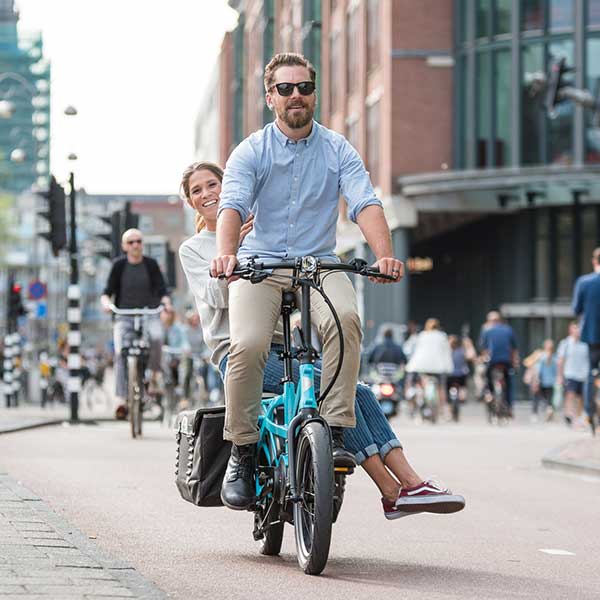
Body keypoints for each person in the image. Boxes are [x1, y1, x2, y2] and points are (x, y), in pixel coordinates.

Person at [179, 161, 465, 520]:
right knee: (330, 389)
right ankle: (394, 490)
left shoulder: (262, 235)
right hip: (239, 353)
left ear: (230, 187)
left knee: (357, 391)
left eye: (213, 184)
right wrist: (232, 247)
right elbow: (215, 296)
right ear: (190, 202)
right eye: (197, 190)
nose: (207, 194)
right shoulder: (194, 249)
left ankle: (409, 485)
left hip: (284, 346)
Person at [210, 53, 405, 509]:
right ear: (270, 97)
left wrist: (385, 255)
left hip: (319, 264)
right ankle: (242, 450)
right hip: (258, 265)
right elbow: (232, 205)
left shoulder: (338, 149)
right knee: (247, 345)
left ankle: (334, 432)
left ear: (314, 94)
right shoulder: (251, 151)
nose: (295, 95)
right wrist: (227, 254)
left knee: (346, 321)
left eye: (304, 87)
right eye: (285, 88)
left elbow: (365, 202)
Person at [100, 228, 171, 407]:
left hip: (149, 313)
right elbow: (107, 292)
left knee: (156, 337)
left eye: (139, 241)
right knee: (120, 352)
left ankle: (154, 376)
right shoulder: (118, 266)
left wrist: (166, 304)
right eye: (131, 242)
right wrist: (106, 304)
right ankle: (121, 399)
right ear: (124, 246)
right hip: (124, 315)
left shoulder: (151, 264)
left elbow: (162, 290)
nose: (135, 245)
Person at [572, 247, 600, 428]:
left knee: (591, 371)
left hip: (593, 335)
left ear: (594, 261)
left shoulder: (584, 282)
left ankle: (589, 413)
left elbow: (576, 309)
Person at [405, 318, 453, 418]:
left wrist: (411, 365)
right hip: (438, 367)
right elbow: (447, 352)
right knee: (441, 387)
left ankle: (418, 402)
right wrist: (449, 367)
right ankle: (443, 410)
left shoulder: (422, 335)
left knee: (421, 384)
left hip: (422, 365)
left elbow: (415, 351)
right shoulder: (442, 336)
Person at [478, 311, 519, 415]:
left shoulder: (487, 331)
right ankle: (509, 407)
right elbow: (514, 348)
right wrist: (515, 362)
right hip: (506, 361)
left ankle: (489, 395)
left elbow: (483, 349)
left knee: (487, 379)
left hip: (492, 361)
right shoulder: (508, 330)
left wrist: (484, 358)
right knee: (509, 383)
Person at [556, 322, 589, 427]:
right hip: (570, 374)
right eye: (575, 328)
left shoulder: (585, 343)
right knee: (570, 395)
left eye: (578, 328)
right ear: (570, 330)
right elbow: (560, 360)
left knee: (581, 398)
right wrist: (560, 375)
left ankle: (578, 417)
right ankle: (571, 416)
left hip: (583, 375)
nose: (577, 331)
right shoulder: (565, 343)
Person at [533, 339, 557, 422]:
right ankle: (549, 411)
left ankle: (535, 414)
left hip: (542, 381)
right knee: (549, 400)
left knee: (537, 398)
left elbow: (538, 370)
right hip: (551, 382)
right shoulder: (555, 357)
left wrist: (536, 380)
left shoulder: (541, 357)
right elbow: (556, 371)